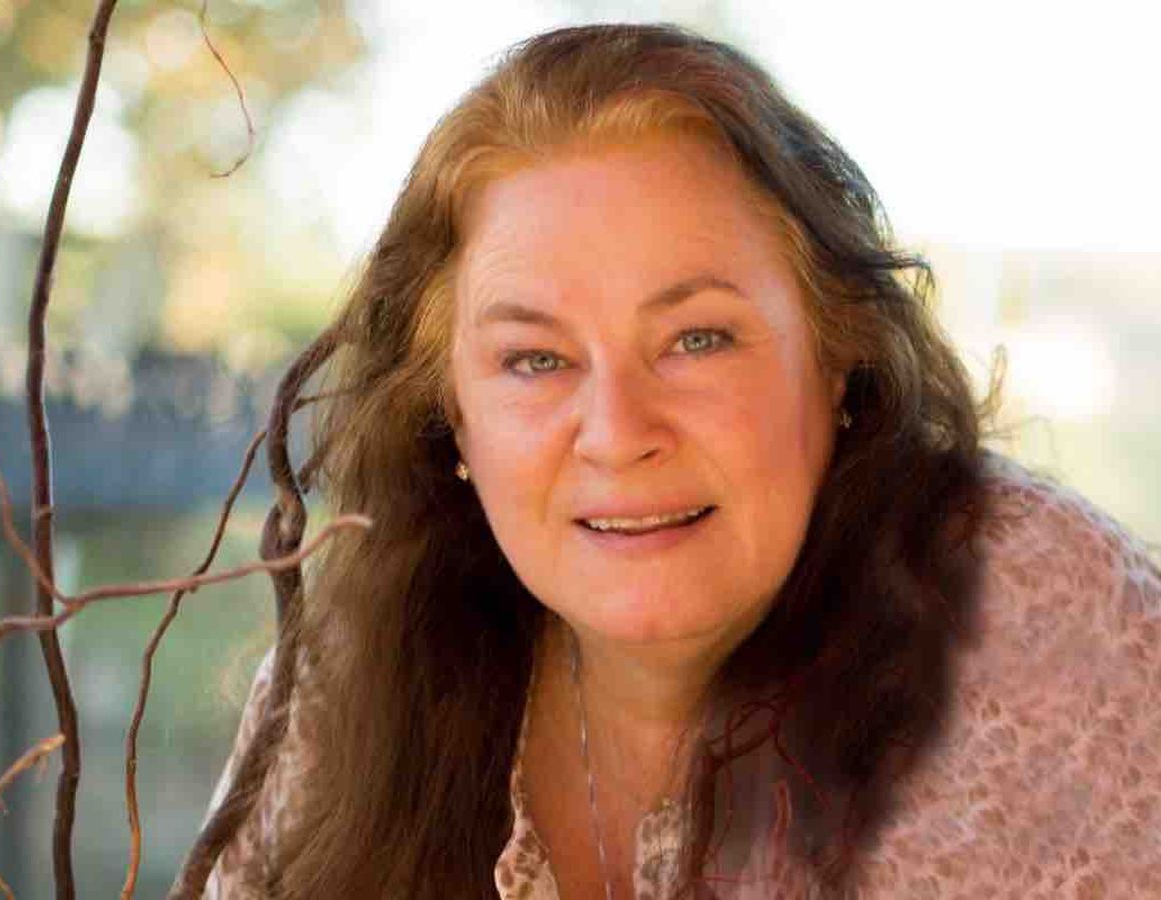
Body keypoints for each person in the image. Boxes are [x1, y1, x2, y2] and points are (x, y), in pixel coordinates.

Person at [199, 23, 1161, 899]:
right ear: (449, 416)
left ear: (838, 358)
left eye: (698, 340)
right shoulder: (350, 669)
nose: (619, 432)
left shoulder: (1041, 614)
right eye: (535, 360)